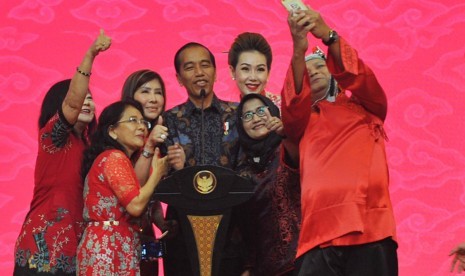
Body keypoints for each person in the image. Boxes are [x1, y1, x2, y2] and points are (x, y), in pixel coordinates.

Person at [280, 5, 398, 276]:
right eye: (307, 69)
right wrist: (299, 48)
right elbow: (292, 105)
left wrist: (328, 35)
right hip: (318, 236)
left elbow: (360, 76)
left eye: (321, 64)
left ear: (336, 73)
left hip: (371, 230)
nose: (315, 71)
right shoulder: (302, 122)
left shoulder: (368, 107)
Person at [13, 30, 111, 275]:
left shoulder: (88, 148)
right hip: (40, 254)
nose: (87, 102)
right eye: (82, 97)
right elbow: (73, 103)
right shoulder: (53, 139)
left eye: (91, 98)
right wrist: (90, 55)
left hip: (75, 253)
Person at [161, 42, 245, 275]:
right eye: (190, 67)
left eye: (205, 65)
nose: (199, 73)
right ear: (178, 78)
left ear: (215, 72)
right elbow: (163, 177)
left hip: (232, 226)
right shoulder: (169, 120)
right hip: (183, 226)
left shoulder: (237, 114)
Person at [76, 99, 169, 275]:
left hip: (112, 245)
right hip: (109, 249)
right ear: (112, 131)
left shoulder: (116, 158)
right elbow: (135, 206)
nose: (141, 127)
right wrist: (157, 173)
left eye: (143, 122)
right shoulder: (115, 158)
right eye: (133, 121)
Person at [236, 93, 300, 275]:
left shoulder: (286, 148)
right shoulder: (241, 170)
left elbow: (299, 159)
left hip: (301, 259)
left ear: (273, 112)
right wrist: (247, 266)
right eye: (247, 116)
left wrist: (284, 133)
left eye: (261, 111)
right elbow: (245, 225)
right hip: (264, 266)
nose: (256, 119)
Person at [120, 69, 173, 275]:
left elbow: (152, 193)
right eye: (145, 91)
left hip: (147, 236)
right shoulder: (120, 136)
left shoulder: (161, 135)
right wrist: (149, 145)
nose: (153, 99)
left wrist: (160, 220)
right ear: (130, 96)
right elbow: (134, 188)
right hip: (121, 236)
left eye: (158, 92)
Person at [228, 32, 281, 108]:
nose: (253, 77)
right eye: (245, 69)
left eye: (260, 69)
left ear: (268, 73)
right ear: (232, 72)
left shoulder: (283, 109)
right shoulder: (228, 115)